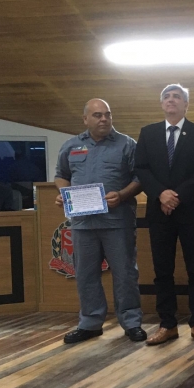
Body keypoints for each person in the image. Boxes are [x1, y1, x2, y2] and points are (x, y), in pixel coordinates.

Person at [54, 99, 145, 344]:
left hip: (117, 221)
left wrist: (123, 195)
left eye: (107, 114)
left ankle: (131, 322)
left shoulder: (127, 144)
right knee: (85, 274)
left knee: (125, 273)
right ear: (85, 119)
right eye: (97, 115)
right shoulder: (71, 145)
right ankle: (91, 323)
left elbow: (141, 177)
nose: (103, 119)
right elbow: (61, 175)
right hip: (83, 223)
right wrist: (65, 194)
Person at [134, 84, 194, 346]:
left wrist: (175, 196)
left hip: (192, 211)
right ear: (161, 104)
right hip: (159, 212)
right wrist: (161, 194)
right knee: (162, 271)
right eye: (167, 97)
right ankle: (167, 324)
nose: (171, 100)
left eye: (176, 97)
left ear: (185, 104)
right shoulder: (147, 133)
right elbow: (142, 170)